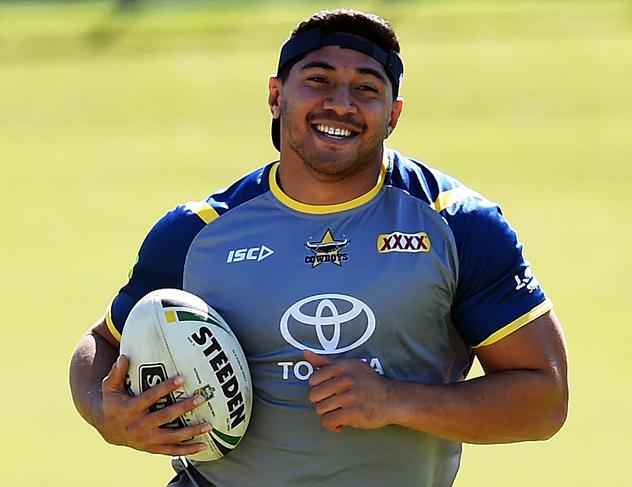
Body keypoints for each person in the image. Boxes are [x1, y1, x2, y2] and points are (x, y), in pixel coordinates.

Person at [69, 8, 568, 487]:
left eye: (367, 89)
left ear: (393, 114)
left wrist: (395, 401)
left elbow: (544, 400)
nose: (341, 104)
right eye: (318, 79)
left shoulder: (458, 225)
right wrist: (105, 413)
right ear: (275, 95)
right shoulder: (196, 233)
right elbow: (101, 343)